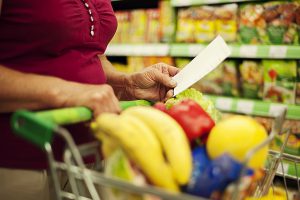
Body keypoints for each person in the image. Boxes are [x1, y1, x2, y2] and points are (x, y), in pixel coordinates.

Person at [0, 1, 179, 199]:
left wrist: (126, 84)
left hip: (90, 154)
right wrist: (67, 93)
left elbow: (91, 55)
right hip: (21, 161)